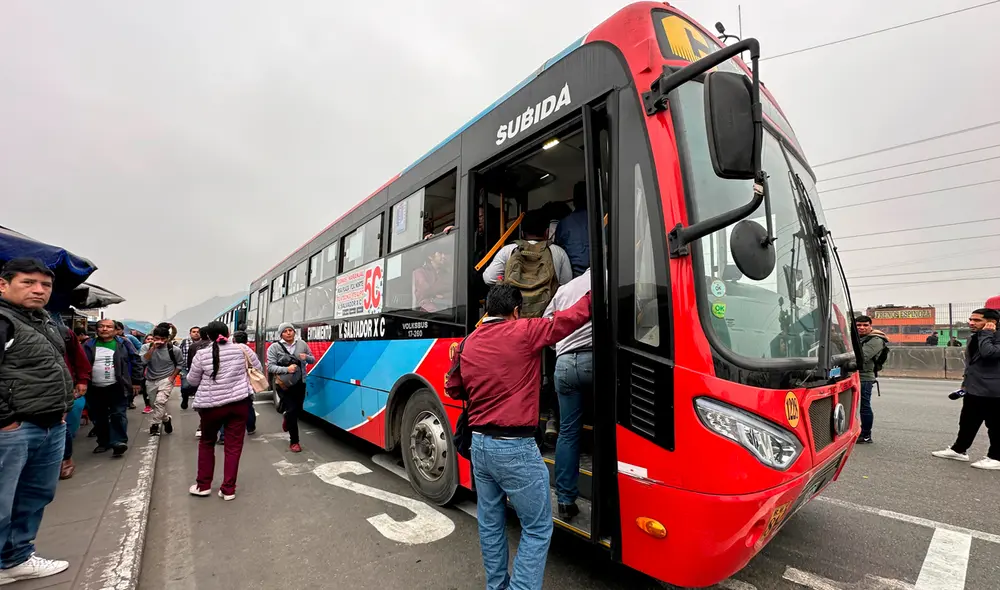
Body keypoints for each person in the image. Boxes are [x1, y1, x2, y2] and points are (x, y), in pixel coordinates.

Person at [445, 283, 592, 590]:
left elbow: (454, 388)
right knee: (537, 527)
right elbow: (566, 320)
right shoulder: (524, 331)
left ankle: (496, 586)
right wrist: (597, 294)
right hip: (514, 449)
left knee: (490, 523)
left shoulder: (469, 342)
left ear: (488, 310)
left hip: (480, 448)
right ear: (515, 311)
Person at [0, 258, 74, 583]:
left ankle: (16, 558)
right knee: (3, 500)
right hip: (15, 429)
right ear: (4, 284)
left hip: (50, 424)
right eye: (28, 282)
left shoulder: (43, 320)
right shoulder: (3, 320)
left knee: (34, 495)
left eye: (45, 285)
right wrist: (6, 421)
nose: (38, 290)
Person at [187, 321, 261, 500]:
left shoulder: (202, 354)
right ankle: (228, 489)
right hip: (239, 404)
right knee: (233, 447)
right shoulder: (242, 349)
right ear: (228, 333)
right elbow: (257, 368)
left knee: (206, 443)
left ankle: (203, 485)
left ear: (208, 336)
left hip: (211, 408)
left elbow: (192, 381)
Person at [543, 269, 592, 520]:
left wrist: (561, 346)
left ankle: (564, 500)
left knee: (568, 432)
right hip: (593, 360)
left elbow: (548, 325)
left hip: (562, 365)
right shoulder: (613, 278)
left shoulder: (565, 289)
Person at [932, 308, 1000, 470]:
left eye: (977, 320)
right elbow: (972, 364)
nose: (971, 323)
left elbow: (989, 353)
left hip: (994, 391)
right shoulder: (974, 337)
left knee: (995, 425)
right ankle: (959, 450)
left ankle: (996, 457)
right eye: (971, 319)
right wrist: (965, 385)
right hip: (974, 388)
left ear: (992, 322)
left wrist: (986, 334)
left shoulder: (992, 337)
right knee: (967, 422)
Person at [83, 319, 141, 457]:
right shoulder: (88, 345)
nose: (104, 329)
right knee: (98, 416)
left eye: (109, 327)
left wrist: (136, 382)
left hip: (117, 386)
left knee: (118, 414)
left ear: (115, 330)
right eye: (101, 326)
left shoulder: (123, 343)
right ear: (96, 330)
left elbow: (136, 361)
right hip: (95, 387)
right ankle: (103, 442)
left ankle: (119, 442)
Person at [482, 209, 573, 294]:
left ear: (522, 233)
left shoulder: (508, 250)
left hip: (516, 309)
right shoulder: (558, 252)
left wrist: (507, 281)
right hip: (547, 309)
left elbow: (489, 278)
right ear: (547, 232)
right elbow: (567, 284)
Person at [267, 323, 315, 453]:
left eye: (290, 330)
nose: (288, 333)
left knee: (298, 409)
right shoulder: (274, 347)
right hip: (283, 384)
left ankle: (287, 418)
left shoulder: (302, 344)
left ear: (294, 332)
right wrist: (286, 369)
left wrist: (307, 358)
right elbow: (270, 367)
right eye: (285, 331)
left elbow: (312, 359)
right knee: (292, 410)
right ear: (281, 334)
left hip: (300, 382)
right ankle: (294, 442)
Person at [56, 320, 91, 479]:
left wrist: (82, 380)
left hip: (59, 388)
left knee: (60, 424)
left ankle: (65, 458)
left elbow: (79, 358)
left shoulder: (61, 331)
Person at [139, 325, 182, 436]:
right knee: (154, 404)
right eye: (157, 338)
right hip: (150, 379)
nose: (160, 341)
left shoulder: (174, 350)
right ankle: (166, 419)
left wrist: (172, 377)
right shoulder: (146, 347)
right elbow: (143, 362)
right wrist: (153, 348)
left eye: (163, 339)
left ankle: (155, 425)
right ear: (153, 337)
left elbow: (180, 364)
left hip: (166, 379)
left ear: (168, 338)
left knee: (160, 402)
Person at [855, 315, 887, 445]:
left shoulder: (876, 340)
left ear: (870, 326)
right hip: (852, 375)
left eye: (865, 325)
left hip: (865, 378)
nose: (862, 328)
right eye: (859, 325)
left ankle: (866, 435)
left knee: (864, 406)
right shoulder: (857, 338)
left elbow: (862, 357)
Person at [554, 182, 590, 278]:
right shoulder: (604, 220)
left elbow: (558, 253)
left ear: (574, 201)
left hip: (573, 278)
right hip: (601, 277)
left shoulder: (564, 224)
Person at [412, 247, 453, 312]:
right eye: (440, 253)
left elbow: (454, 292)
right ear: (430, 256)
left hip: (447, 307)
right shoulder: (419, 272)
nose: (443, 256)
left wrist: (443, 296)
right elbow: (425, 291)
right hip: (427, 309)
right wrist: (443, 287)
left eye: (444, 253)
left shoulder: (447, 274)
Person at [189, 326, 213, 438]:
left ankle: (203, 424)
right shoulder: (216, 346)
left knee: (202, 403)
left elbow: (190, 365)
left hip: (198, 379)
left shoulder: (193, 346)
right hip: (212, 379)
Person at [179, 326, 202, 410]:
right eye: (194, 332)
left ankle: (197, 403)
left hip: (199, 368)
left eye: (198, 332)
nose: (196, 333)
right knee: (185, 386)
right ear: (190, 333)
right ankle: (184, 399)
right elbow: (179, 353)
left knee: (198, 386)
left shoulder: (204, 343)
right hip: (185, 368)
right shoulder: (185, 342)